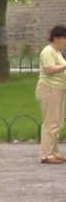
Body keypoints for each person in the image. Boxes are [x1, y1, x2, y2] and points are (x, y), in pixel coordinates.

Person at [35, 25, 66, 164]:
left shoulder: (57, 52)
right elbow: (49, 70)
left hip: (58, 89)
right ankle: (46, 154)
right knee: (50, 122)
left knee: (58, 121)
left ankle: (54, 152)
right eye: (64, 38)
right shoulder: (48, 51)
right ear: (57, 38)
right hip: (49, 89)